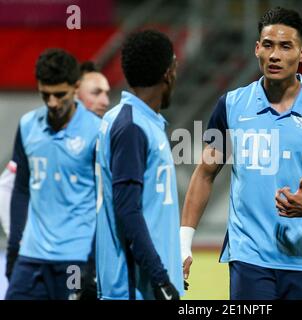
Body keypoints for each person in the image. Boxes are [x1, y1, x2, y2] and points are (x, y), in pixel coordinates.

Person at [180, 7, 302, 300]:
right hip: (249, 258)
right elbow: (204, 173)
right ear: (256, 49)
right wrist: (183, 242)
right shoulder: (231, 105)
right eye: (268, 45)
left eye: (285, 46)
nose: (275, 55)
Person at [4, 48, 101, 300]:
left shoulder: (97, 131)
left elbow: (105, 200)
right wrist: (14, 249)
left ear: (76, 87)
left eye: (60, 94)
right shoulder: (27, 125)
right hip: (32, 257)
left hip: (75, 259)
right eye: (45, 95)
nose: (52, 103)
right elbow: (22, 189)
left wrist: (92, 261)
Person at [95, 29, 183, 300]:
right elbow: (127, 210)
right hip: (135, 287)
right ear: (169, 73)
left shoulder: (132, 121)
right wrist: (161, 279)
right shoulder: (132, 127)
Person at [0, 61, 110, 238]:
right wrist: (19, 241)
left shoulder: (102, 135)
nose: (105, 101)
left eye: (106, 93)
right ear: (75, 92)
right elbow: (7, 187)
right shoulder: (44, 135)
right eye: (95, 93)